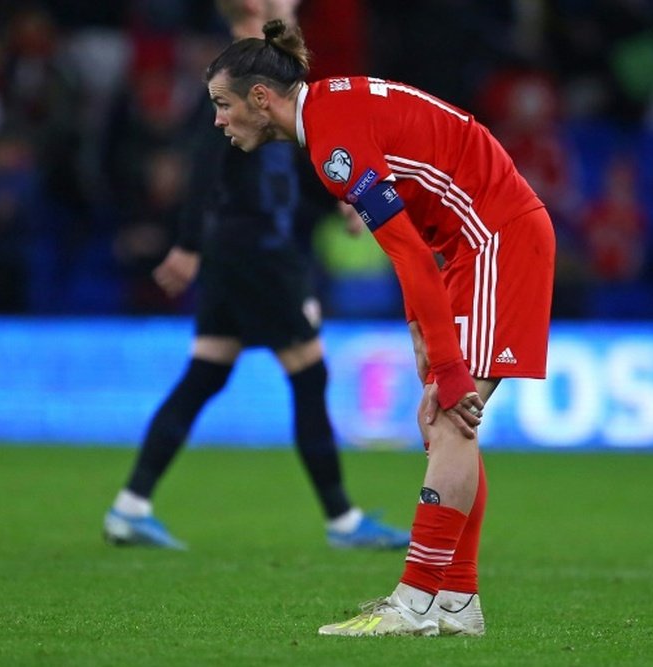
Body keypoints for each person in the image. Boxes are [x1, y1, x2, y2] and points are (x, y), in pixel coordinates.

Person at [204, 20, 555, 636]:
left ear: (262, 98)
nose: (218, 120)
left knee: (450, 418)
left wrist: (447, 367)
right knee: (445, 427)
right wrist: (426, 332)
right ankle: (457, 602)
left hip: (494, 239)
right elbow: (419, 235)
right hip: (475, 243)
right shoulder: (335, 109)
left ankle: (416, 599)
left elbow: (410, 253)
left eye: (223, 104)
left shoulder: (332, 144)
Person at [103, 0, 409, 552]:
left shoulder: (267, 76)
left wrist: (344, 191)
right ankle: (342, 520)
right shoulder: (238, 77)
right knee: (308, 374)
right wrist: (189, 244)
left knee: (205, 375)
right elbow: (204, 163)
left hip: (239, 247)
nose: (295, 7)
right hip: (258, 252)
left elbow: (291, 164)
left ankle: (131, 505)